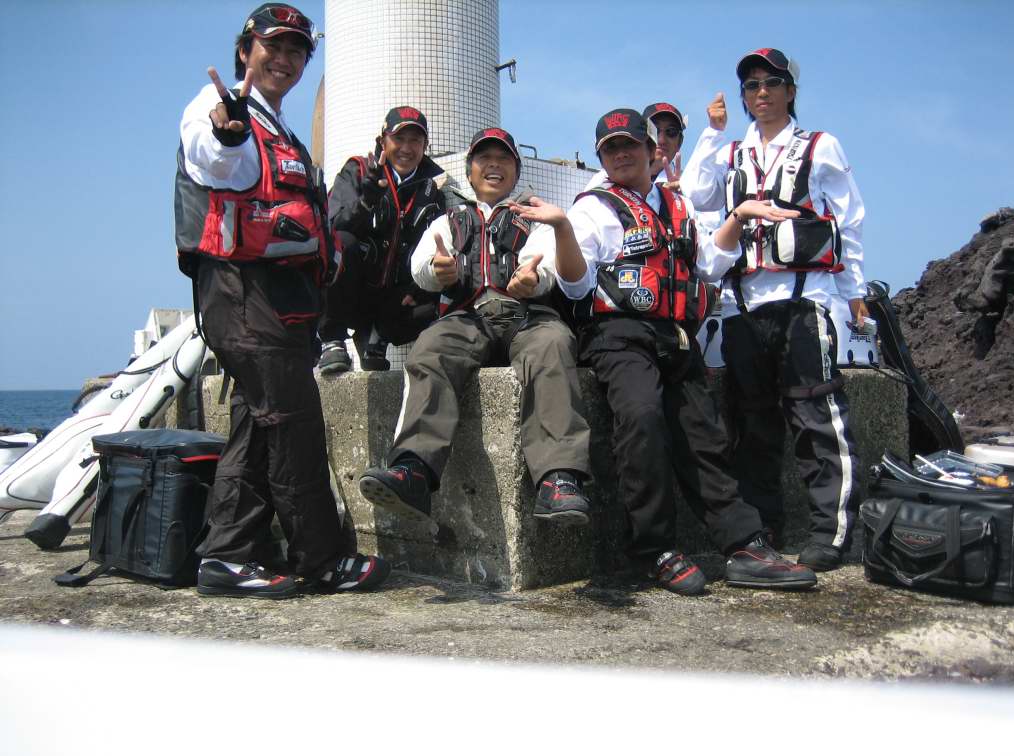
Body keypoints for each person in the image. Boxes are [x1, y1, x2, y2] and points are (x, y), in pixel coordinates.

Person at [512, 108, 816, 595]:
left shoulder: (677, 205)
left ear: (652, 150)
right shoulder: (592, 208)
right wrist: (563, 229)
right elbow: (577, 286)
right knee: (642, 417)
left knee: (705, 433)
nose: (622, 154)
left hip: (674, 334)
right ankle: (653, 548)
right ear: (602, 158)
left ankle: (744, 544)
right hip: (617, 334)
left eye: (630, 144)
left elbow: (709, 263)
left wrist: (738, 216)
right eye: (611, 149)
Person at [174, 3, 389, 598]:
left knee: (256, 426)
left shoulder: (282, 127)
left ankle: (227, 556)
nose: (286, 59)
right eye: (274, 46)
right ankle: (322, 559)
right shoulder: (219, 107)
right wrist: (228, 130)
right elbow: (215, 155)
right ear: (245, 51)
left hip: (281, 299)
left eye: (298, 51)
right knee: (295, 425)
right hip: (241, 293)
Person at [682, 48, 868, 571]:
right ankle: (763, 528)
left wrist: (854, 289)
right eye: (751, 85)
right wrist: (712, 132)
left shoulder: (820, 146)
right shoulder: (731, 153)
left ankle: (831, 533)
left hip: (804, 301)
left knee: (817, 418)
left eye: (771, 83)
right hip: (743, 307)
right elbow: (695, 192)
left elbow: (849, 219)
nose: (760, 92)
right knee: (752, 424)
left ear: (790, 91)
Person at [358, 128, 592, 525]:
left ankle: (559, 478)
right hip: (468, 317)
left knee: (553, 344)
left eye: (504, 159)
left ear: (517, 170)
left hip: (526, 318)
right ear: (469, 172)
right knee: (431, 347)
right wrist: (439, 271)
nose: (494, 166)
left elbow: (546, 264)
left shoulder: (535, 219)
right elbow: (421, 266)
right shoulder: (449, 220)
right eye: (485, 159)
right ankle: (413, 468)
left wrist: (533, 280)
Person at [318, 106, 447, 373]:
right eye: (399, 138)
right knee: (343, 242)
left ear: (425, 146)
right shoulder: (358, 170)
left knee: (437, 283)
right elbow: (333, 226)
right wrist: (366, 202)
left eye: (415, 140)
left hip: (394, 297)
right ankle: (332, 340)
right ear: (382, 141)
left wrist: (419, 289)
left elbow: (437, 249)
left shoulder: (432, 193)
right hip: (352, 286)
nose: (406, 148)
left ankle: (376, 337)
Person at [585, 101, 688, 190]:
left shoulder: (688, 186)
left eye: (671, 131)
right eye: (654, 130)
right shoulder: (603, 180)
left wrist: (677, 200)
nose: (661, 140)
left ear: (680, 142)